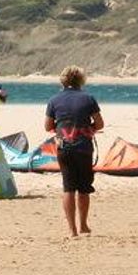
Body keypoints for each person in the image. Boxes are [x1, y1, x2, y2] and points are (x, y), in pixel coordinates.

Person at [45, 65, 103, 238]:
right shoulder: (89, 98)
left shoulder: (54, 100)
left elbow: (48, 126)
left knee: (68, 187)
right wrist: (88, 129)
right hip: (84, 147)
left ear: (63, 80)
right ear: (81, 80)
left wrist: (62, 128)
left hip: (64, 147)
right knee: (84, 188)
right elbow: (100, 124)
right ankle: (83, 225)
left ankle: (72, 230)